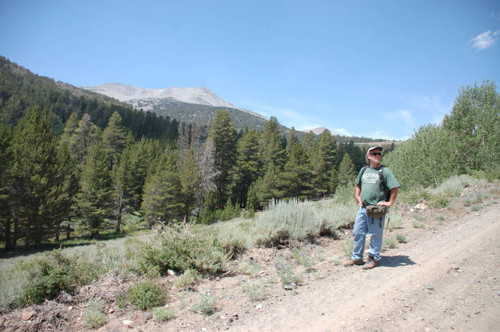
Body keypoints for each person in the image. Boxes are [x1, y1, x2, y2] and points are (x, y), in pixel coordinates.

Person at [344, 146, 400, 269]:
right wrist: (357, 196)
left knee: (375, 234)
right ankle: (357, 258)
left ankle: (373, 258)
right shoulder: (364, 170)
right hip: (363, 208)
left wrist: (390, 203)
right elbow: (358, 184)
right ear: (368, 156)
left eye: (379, 153)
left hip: (376, 209)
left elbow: (394, 187)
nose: (378, 155)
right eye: (374, 153)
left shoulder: (384, 171)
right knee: (358, 232)